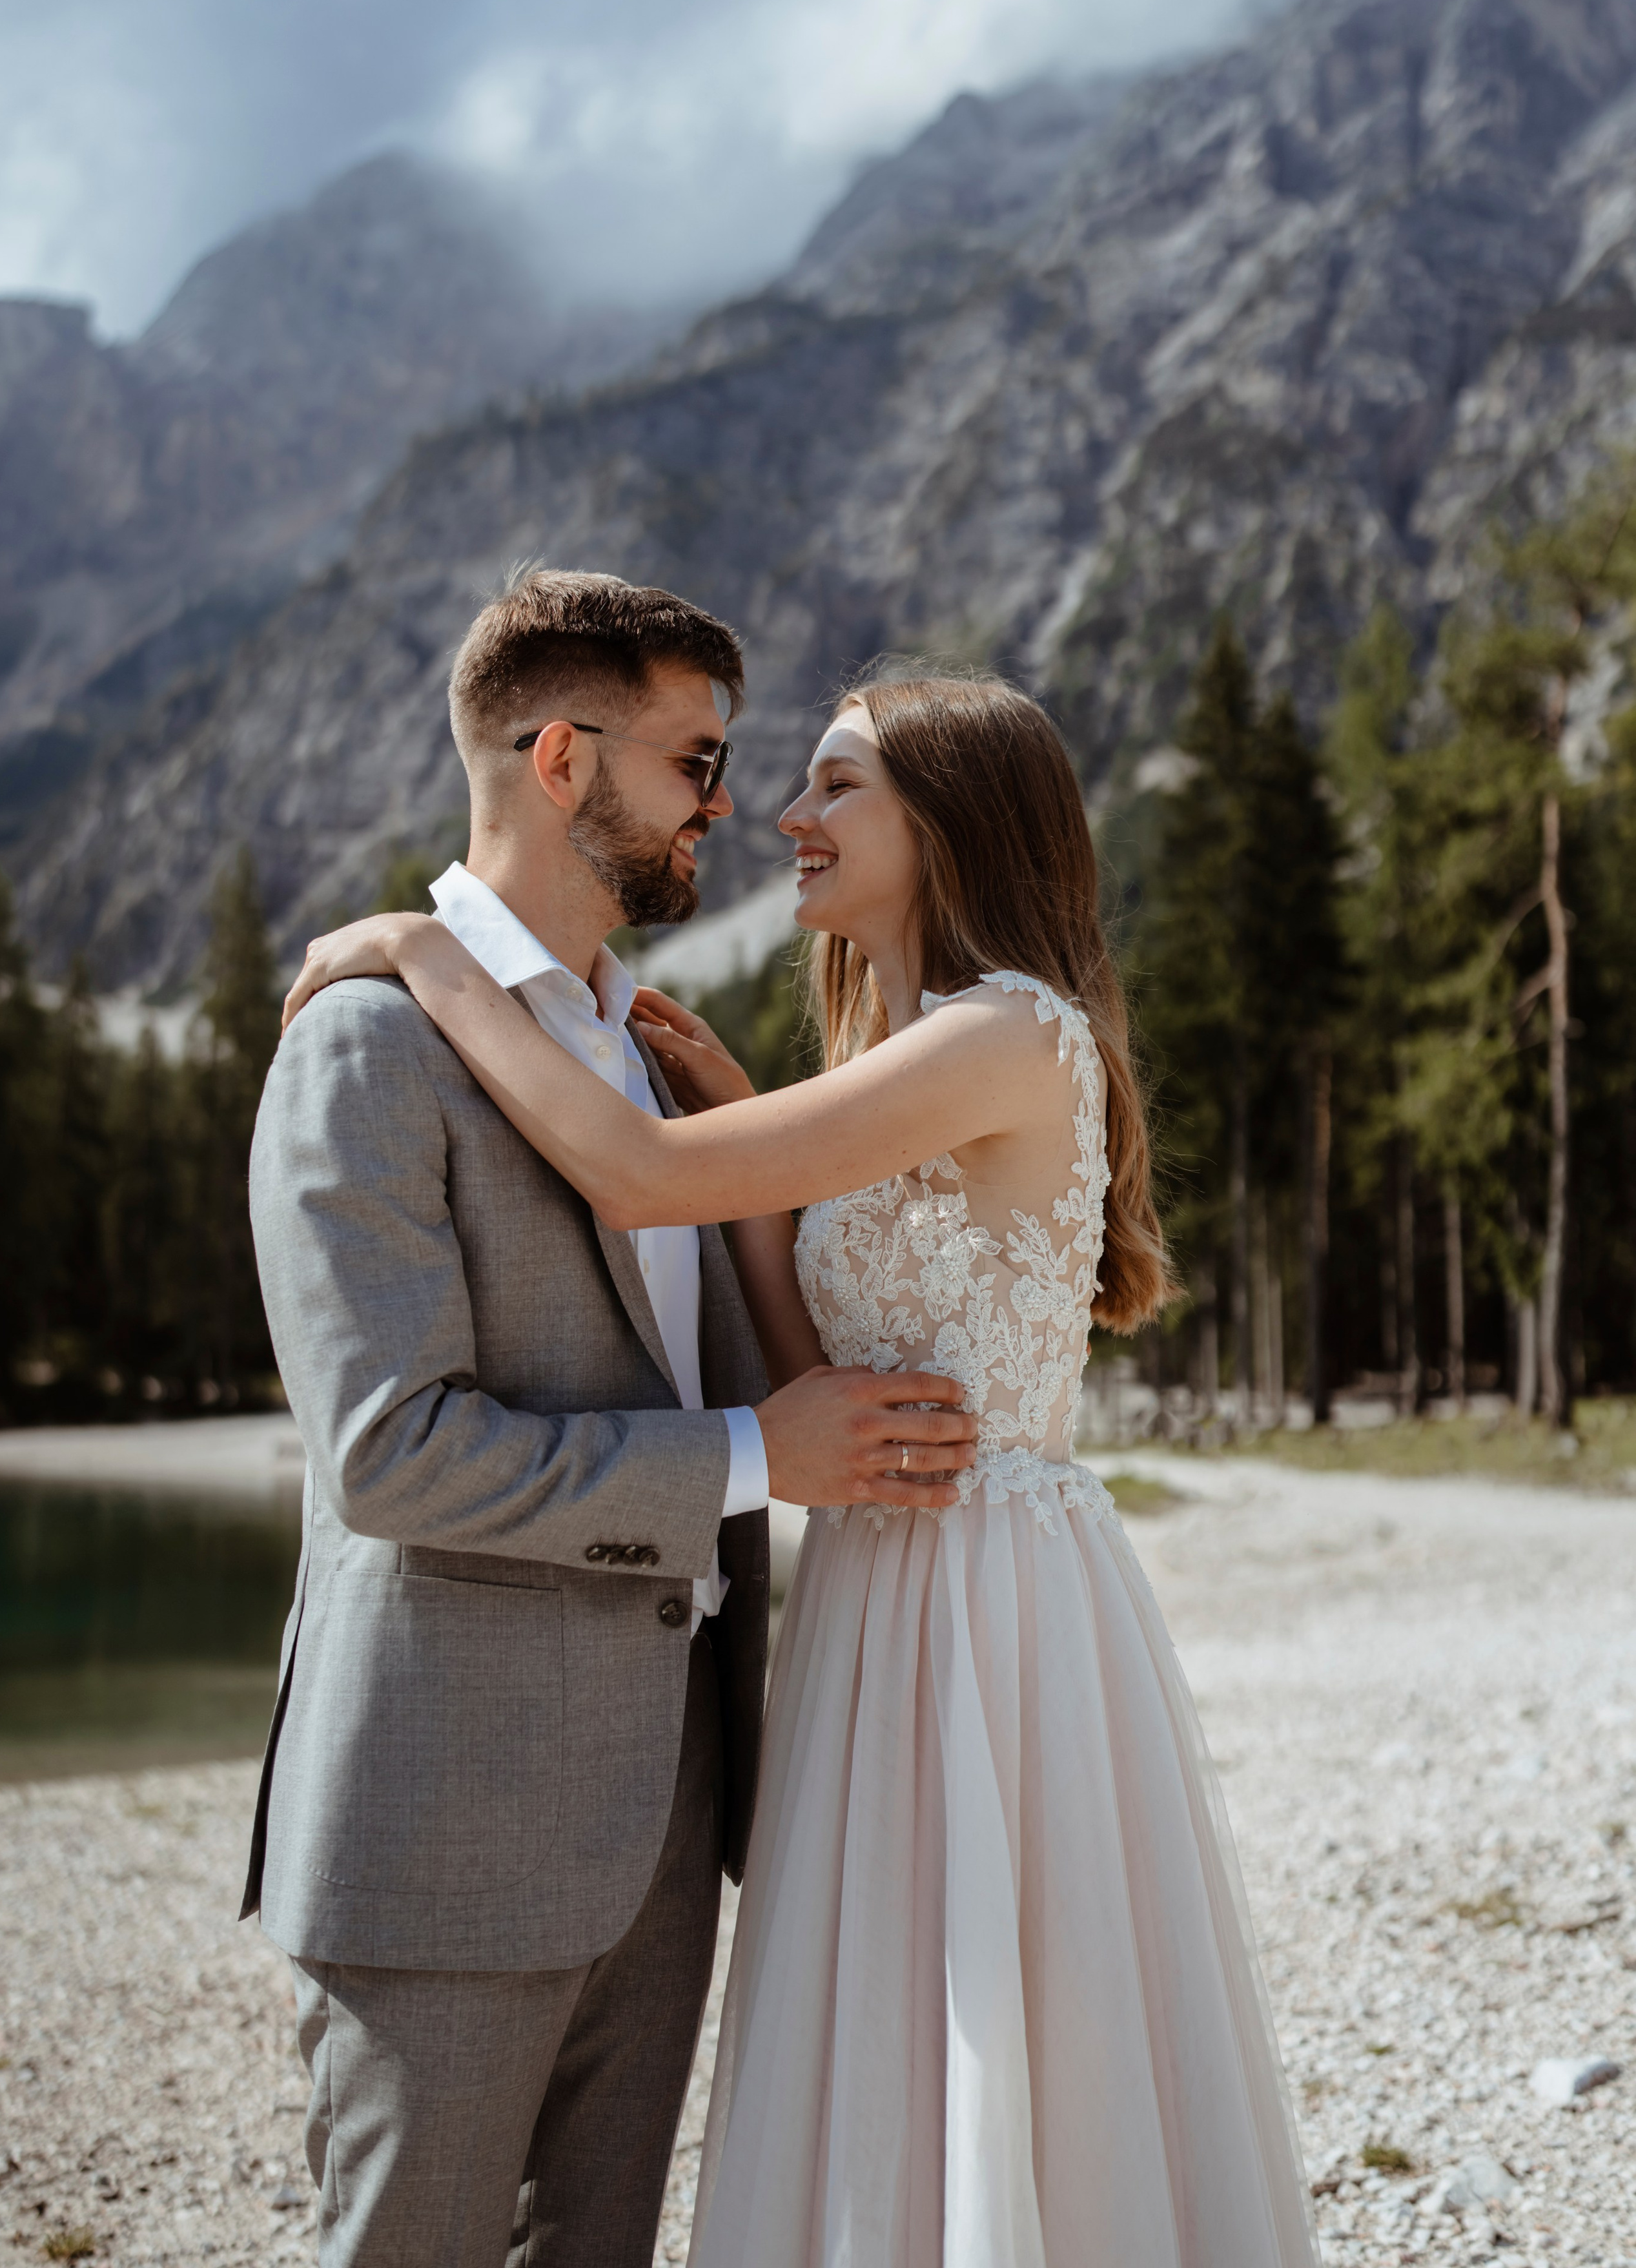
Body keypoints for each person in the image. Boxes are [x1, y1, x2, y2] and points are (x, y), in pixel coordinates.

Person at [285, 669, 1320, 2267]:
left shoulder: (1006, 1032)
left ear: (947, 819)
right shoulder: (892, 1043)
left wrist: (428, 954)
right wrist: (756, 1156)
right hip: (871, 1587)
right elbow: (811, 1384)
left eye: (835, 788)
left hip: (984, 1599)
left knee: (996, 2035)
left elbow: (634, 1182)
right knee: (880, 2034)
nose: (785, 818)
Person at [243, 571, 979, 2268]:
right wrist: (752, 1459)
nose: (727, 809)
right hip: (449, 1829)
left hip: (668, 1820)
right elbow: (387, 1456)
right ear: (562, 760)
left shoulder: (641, 1069)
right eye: (694, 764)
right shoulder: (366, 1046)